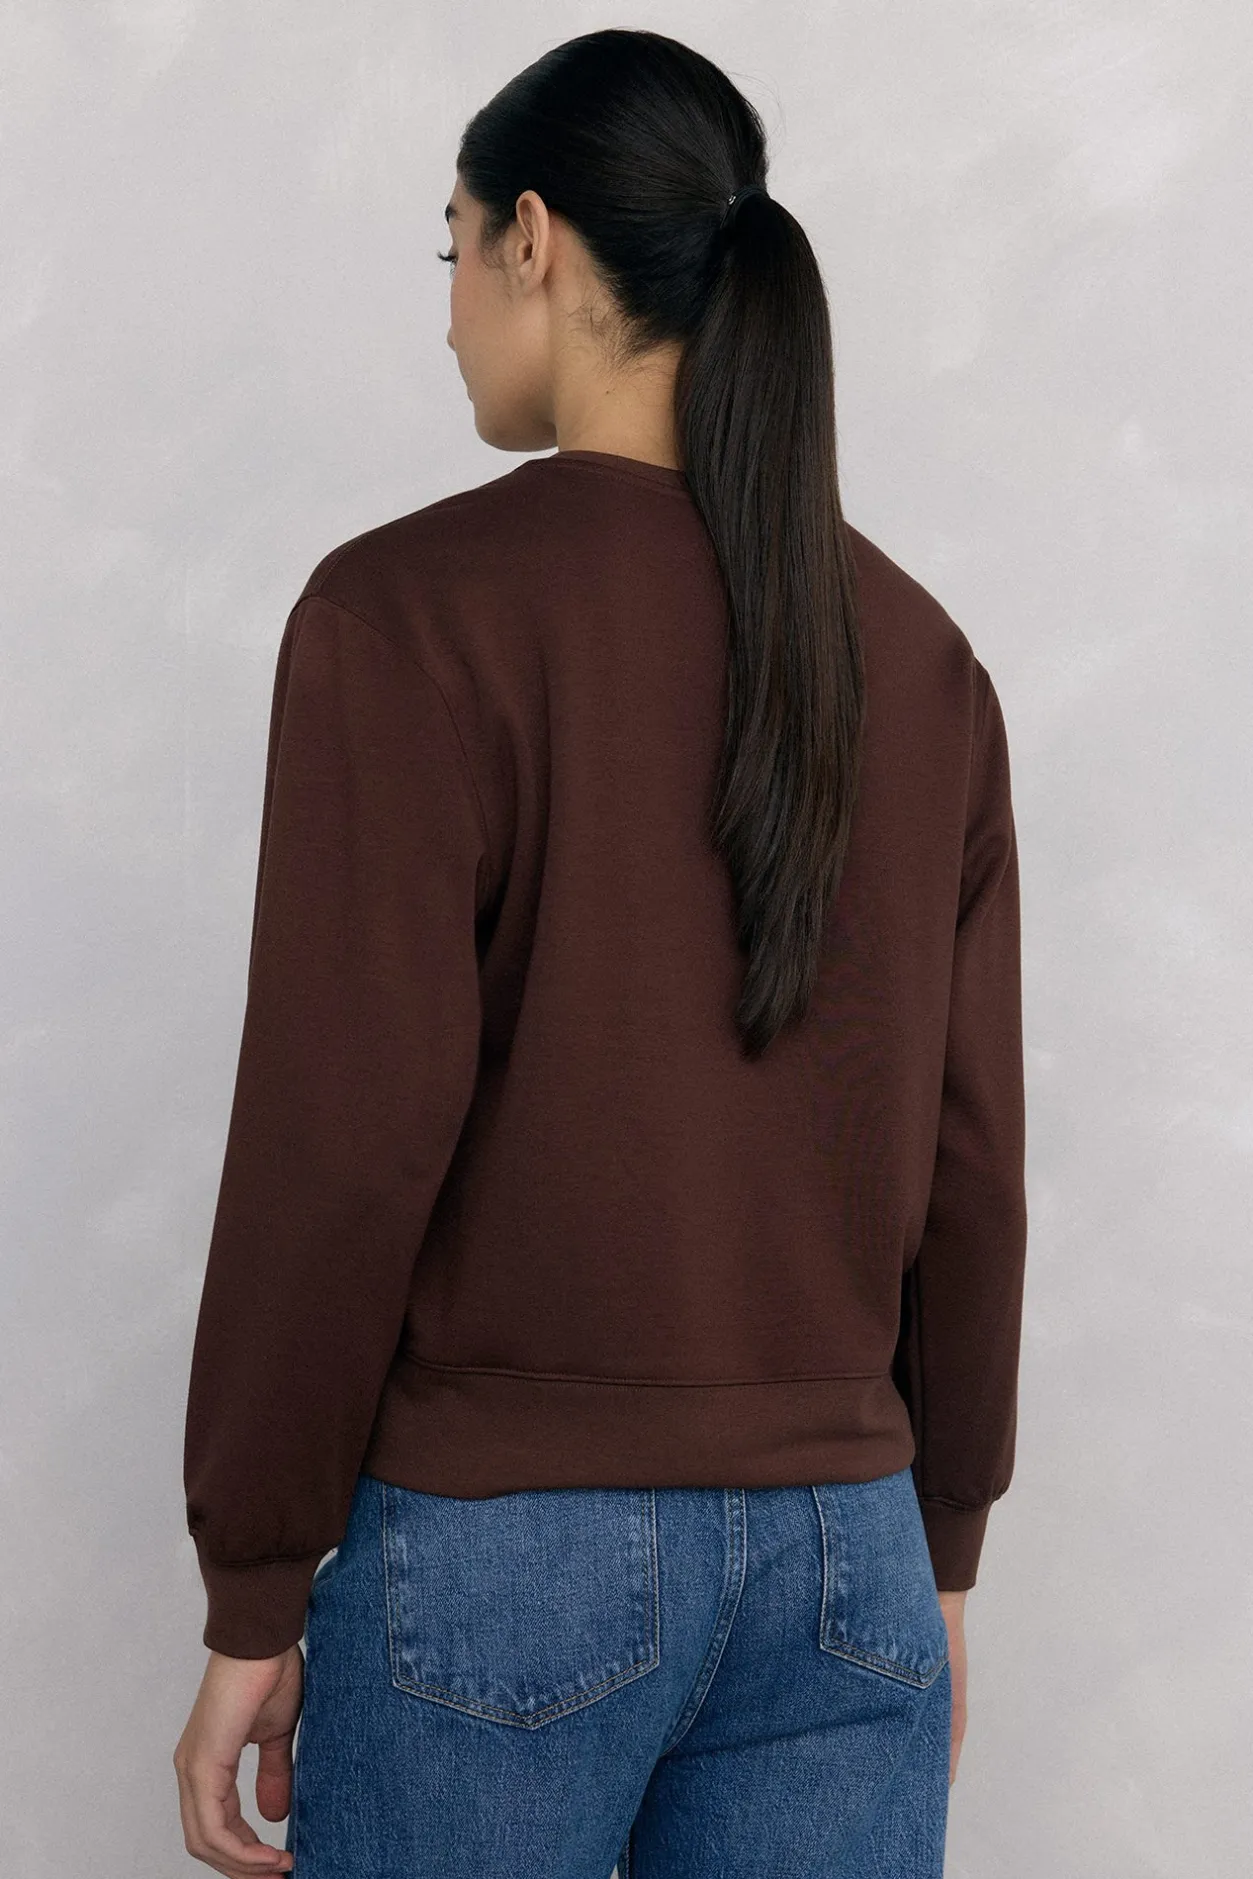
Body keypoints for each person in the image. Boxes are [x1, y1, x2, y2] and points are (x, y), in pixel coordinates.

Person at [172, 27, 1026, 1879]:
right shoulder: (921, 655)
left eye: (453, 246)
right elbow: (970, 1166)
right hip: (850, 1558)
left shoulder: (406, 616)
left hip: (503, 1562)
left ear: (534, 240)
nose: (449, 310)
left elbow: (345, 1139)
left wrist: (255, 1579)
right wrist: (940, 1550)